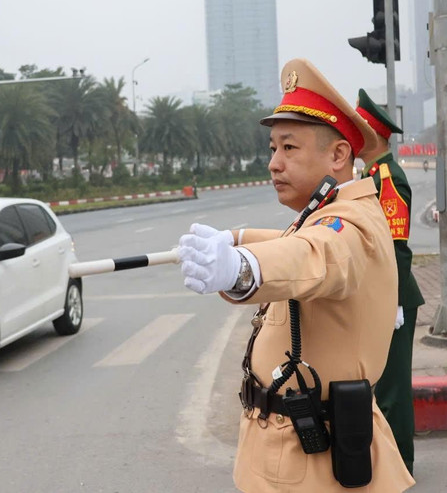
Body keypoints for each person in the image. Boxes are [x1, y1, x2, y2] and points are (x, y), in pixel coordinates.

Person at [177, 59, 414, 492]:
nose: (274, 163)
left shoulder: (348, 225)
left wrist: (239, 268)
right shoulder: (329, 213)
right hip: (291, 447)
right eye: (272, 148)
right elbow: (290, 238)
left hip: (312, 462)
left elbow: (311, 255)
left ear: (339, 154)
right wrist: (234, 238)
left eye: (289, 148)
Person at [355, 89, 425, 475]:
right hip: (380, 296)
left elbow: (397, 245)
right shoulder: (369, 175)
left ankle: (401, 465)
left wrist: (394, 300)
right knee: (381, 385)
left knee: (394, 388)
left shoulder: (387, 177)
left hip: (393, 298)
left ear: (373, 134)